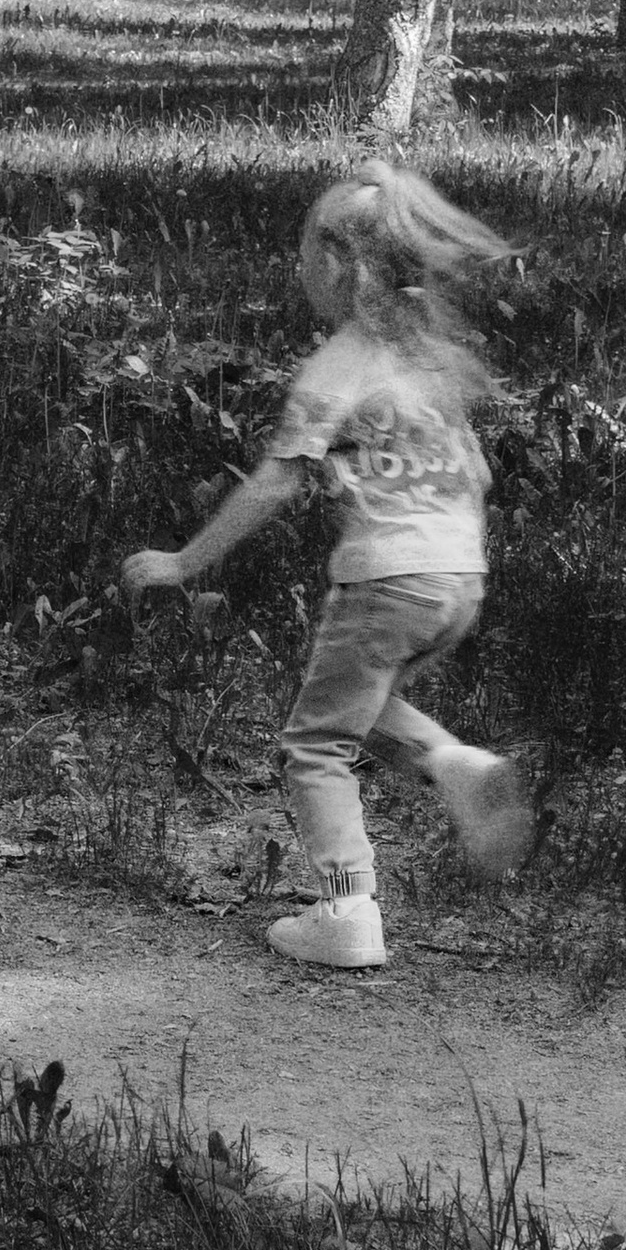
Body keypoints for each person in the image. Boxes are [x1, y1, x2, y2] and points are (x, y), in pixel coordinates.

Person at [119, 161, 535, 971]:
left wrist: (184, 560)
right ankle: (458, 765)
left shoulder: (343, 361)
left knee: (314, 743)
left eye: (307, 249)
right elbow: (477, 471)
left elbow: (276, 479)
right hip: (458, 578)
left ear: (341, 264)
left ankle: (347, 908)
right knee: (358, 702)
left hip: (386, 580)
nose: (299, 264)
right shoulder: (427, 360)